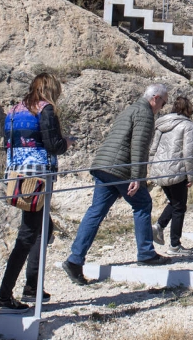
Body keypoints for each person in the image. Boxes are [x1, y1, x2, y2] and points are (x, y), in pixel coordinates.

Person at [62, 84, 171, 285]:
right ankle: (146, 253)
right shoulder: (145, 114)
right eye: (163, 103)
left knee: (96, 211)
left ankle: (75, 259)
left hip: (103, 166)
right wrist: (138, 177)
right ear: (155, 98)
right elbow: (139, 145)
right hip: (119, 168)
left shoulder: (129, 109)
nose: (162, 108)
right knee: (143, 203)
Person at [0, 73, 75, 311]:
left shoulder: (14, 111)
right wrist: (67, 142)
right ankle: (4, 295)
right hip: (37, 179)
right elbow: (54, 145)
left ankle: (32, 285)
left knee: (43, 228)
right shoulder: (45, 109)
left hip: (15, 175)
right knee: (28, 234)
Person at [151, 96, 193, 253]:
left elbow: (153, 149)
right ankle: (175, 245)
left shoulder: (161, 124)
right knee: (179, 208)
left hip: (159, 170)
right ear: (188, 109)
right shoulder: (187, 125)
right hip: (177, 170)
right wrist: (191, 175)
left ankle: (158, 226)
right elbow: (188, 152)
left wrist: (151, 168)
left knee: (174, 202)